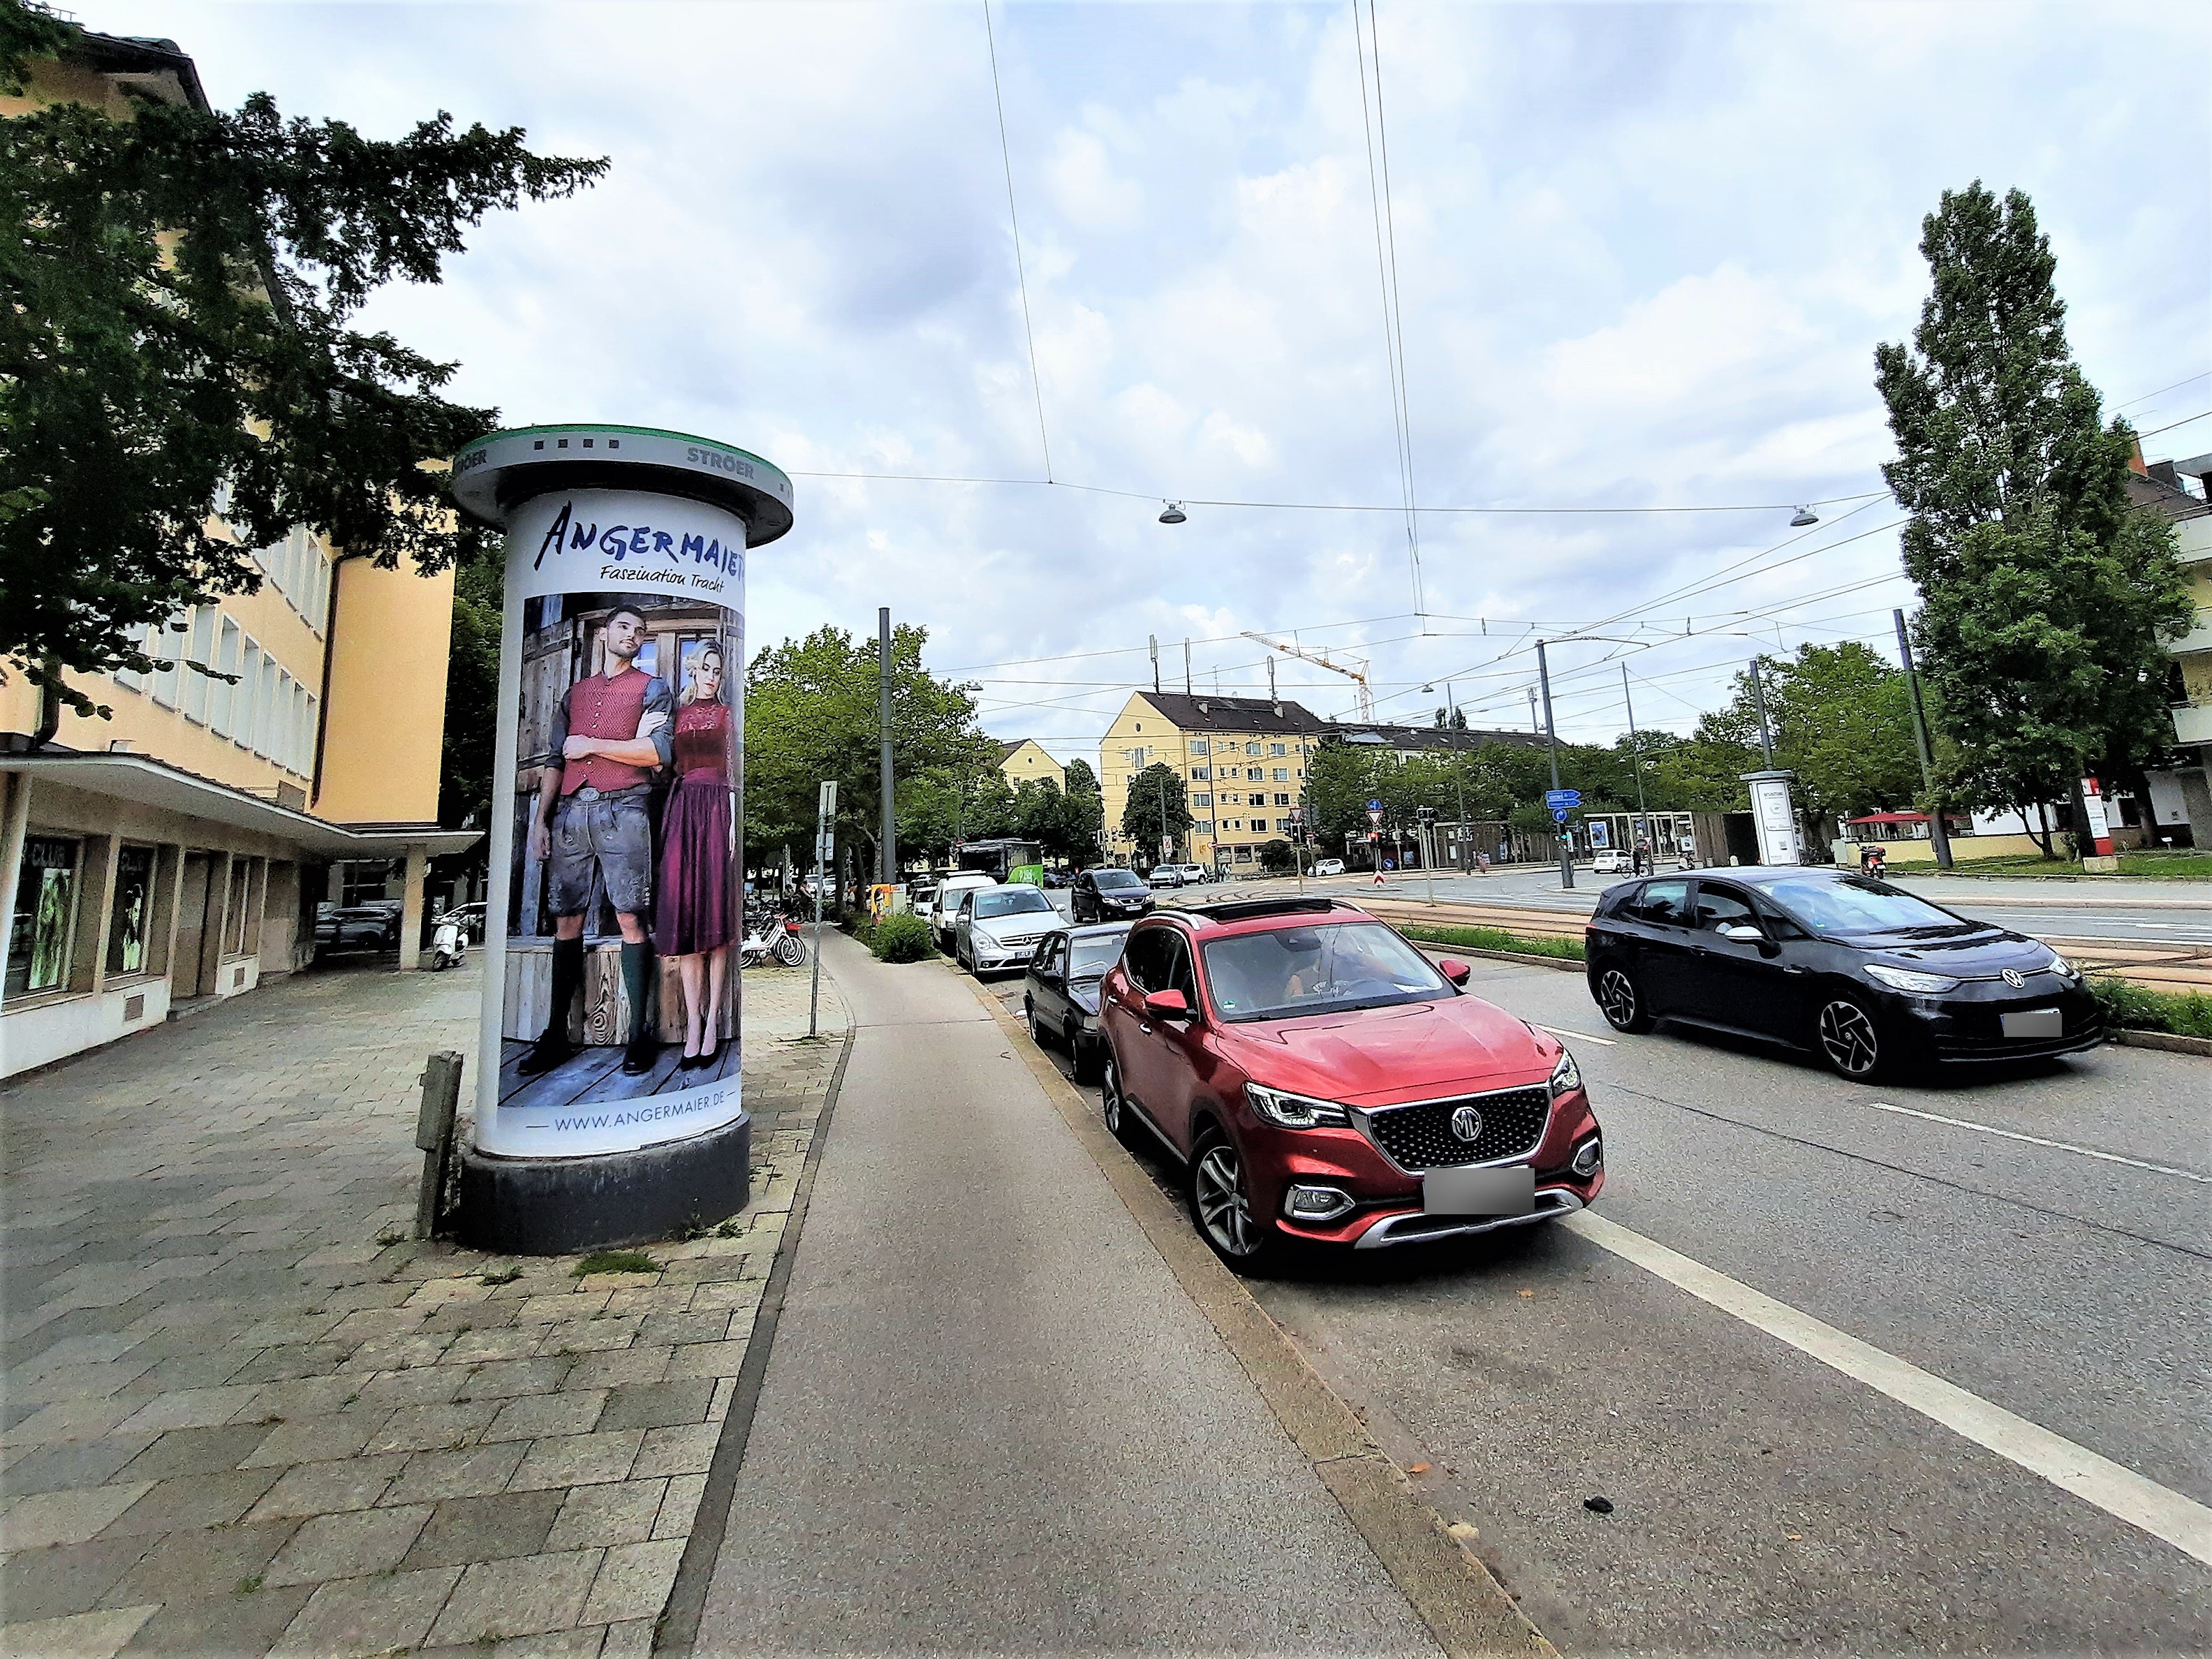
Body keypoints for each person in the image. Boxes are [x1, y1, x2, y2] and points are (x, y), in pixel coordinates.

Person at [520, 606, 674, 1077]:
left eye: (640, 631)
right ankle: (556, 1034)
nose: (633, 635)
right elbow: (555, 760)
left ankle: (639, 1033)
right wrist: (541, 821)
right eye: (624, 627)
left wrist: (590, 743)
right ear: (605, 634)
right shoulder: (575, 694)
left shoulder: (652, 688)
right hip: (570, 812)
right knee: (566, 920)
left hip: (625, 807)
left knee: (631, 917)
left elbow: (656, 752)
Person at [655, 643, 737, 1070]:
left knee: (716, 919)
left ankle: (712, 1027)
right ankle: (692, 1024)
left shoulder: (728, 715)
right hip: (684, 810)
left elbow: (734, 770)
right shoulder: (677, 715)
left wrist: (733, 823)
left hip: (718, 808)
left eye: (717, 671)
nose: (711, 676)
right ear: (693, 670)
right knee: (687, 917)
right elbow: (663, 764)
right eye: (705, 668)